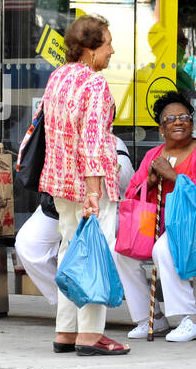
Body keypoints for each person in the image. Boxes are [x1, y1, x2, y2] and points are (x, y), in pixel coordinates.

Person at [39, 13, 129, 355]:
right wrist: (94, 191)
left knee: (69, 254)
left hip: (61, 183)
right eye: (107, 44)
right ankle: (90, 336)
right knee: (94, 256)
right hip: (92, 186)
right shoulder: (94, 84)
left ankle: (65, 331)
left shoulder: (58, 78)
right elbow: (92, 140)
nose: (112, 51)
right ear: (90, 49)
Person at [13, 134, 153, 336]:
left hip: (99, 204)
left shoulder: (110, 141)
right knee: (28, 243)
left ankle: (89, 324)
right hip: (58, 204)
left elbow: (126, 183)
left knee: (102, 252)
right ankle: (70, 303)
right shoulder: (57, 131)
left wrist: (103, 171)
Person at [125, 89, 196, 342]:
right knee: (121, 253)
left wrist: (173, 176)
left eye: (184, 117)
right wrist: (150, 181)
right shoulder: (152, 156)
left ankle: (191, 319)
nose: (179, 122)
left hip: (195, 227)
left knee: (163, 248)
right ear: (161, 130)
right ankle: (150, 317)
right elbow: (132, 193)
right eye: (171, 119)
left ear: (192, 124)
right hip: (154, 224)